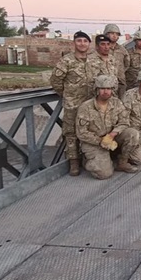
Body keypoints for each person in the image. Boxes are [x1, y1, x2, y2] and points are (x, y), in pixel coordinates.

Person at [76, 75, 141, 176]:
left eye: (108, 88)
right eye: (102, 88)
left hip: (111, 137)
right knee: (105, 174)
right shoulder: (86, 107)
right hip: (94, 142)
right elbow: (81, 133)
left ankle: (122, 162)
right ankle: (88, 161)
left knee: (133, 134)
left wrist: (113, 133)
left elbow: (124, 122)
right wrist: (100, 141)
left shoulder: (116, 103)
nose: (106, 91)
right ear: (97, 90)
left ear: (112, 90)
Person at [50, 31, 96, 176]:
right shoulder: (66, 61)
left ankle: (88, 159)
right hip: (73, 105)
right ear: (74, 43)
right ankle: (74, 162)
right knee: (71, 134)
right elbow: (56, 81)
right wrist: (67, 94)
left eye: (85, 41)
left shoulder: (93, 61)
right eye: (79, 41)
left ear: (89, 44)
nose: (82, 43)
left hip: (90, 104)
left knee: (90, 131)